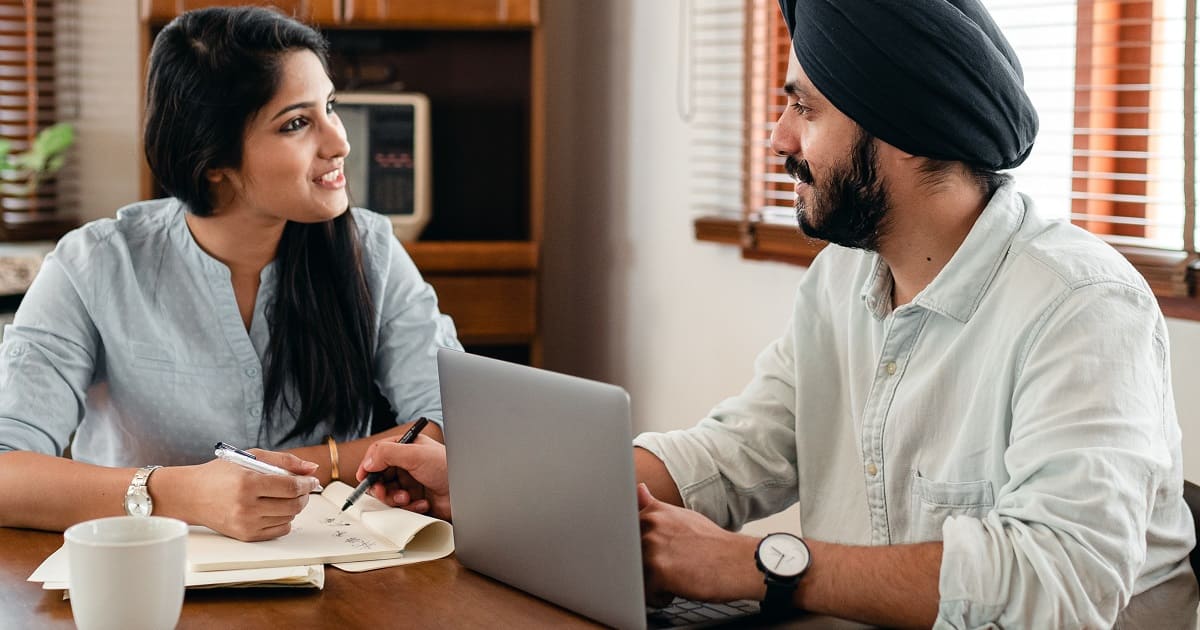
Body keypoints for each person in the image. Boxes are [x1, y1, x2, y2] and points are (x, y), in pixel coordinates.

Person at [362, 0, 1199, 627]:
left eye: (805, 109)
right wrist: (502, 484)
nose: (777, 138)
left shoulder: (1083, 307)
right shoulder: (842, 278)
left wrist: (755, 565)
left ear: (905, 133)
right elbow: (737, 454)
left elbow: (1063, 583)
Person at [0, 6, 460, 543]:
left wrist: (279, 472)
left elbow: (448, 421)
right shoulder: (94, 265)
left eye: (329, 107)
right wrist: (181, 492)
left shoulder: (371, 250)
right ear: (213, 158)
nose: (339, 143)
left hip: (341, 577)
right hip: (154, 580)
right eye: (296, 123)